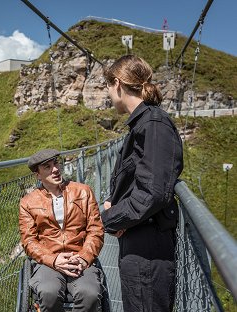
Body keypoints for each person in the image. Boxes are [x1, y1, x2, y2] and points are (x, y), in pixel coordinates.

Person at [101, 55, 183, 312]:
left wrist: (109, 217)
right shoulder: (142, 124)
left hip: (147, 248)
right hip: (137, 237)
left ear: (117, 83)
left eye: (107, 86)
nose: (107, 94)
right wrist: (114, 203)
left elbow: (153, 193)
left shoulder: (154, 124)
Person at [19, 148, 104, 312]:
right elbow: (29, 241)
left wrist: (85, 257)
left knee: (90, 294)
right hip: (49, 260)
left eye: (56, 163)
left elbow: (96, 229)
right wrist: (53, 259)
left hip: (79, 256)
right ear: (37, 175)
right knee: (48, 293)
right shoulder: (27, 202)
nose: (55, 169)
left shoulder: (83, 191)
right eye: (47, 167)